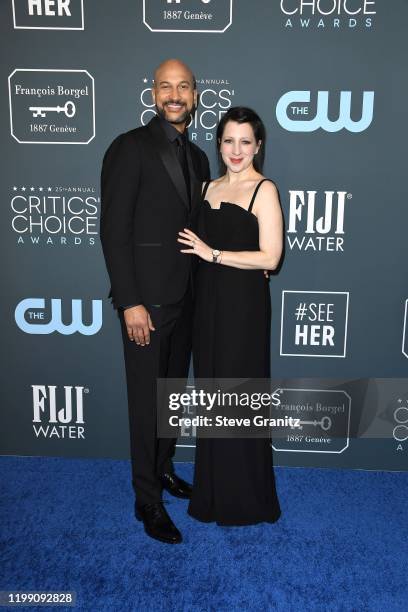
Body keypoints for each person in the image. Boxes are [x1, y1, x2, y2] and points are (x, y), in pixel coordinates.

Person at [100, 59, 210, 544]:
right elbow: (114, 232)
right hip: (146, 305)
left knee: (168, 398)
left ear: (195, 95)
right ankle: (147, 499)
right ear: (152, 94)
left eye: (183, 87)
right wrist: (130, 303)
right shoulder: (129, 148)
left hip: (186, 300)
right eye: (166, 86)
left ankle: (164, 469)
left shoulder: (201, 157)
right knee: (146, 404)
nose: (174, 94)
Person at [177, 107, 283, 525]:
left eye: (245, 142)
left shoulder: (264, 190)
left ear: (258, 146)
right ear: (218, 143)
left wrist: (214, 254)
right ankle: (212, 493)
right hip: (207, 304)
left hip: (243, 308)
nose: (236, 150)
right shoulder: (205, 186)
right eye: (228, 141)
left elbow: (271, 258)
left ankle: (245, 499)